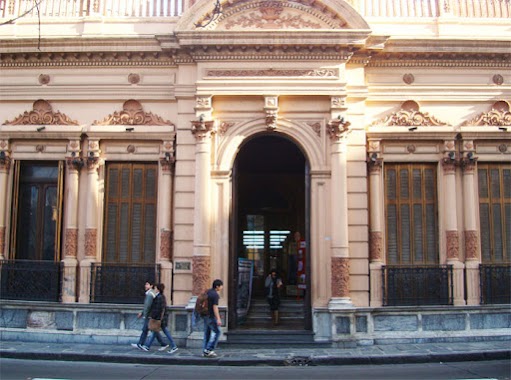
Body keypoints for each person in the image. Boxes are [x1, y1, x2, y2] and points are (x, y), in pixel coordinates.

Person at [130, 280, 166, 351]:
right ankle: (161, 343)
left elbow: (148, 306)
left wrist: (144, 314)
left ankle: (141, 344)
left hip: (150, 315)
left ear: (151, 286)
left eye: (147, 284)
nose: (145, 286)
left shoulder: (150, 294)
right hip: (151, 315)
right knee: (151, 330)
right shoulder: (151, 293)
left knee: (148, 330)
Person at [144, 283, 178, 354]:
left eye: (156, 288)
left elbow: (158, 309)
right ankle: (148, 346)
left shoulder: (159, 297)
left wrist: (153, 316)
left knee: (164, 332)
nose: (155, 289)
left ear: (158, 289)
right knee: (155, 331)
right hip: (160, 318)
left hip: (159, 319)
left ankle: (174, 346)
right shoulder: (160, 296)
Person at [203, 279, 223, 358]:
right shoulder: (215, 295)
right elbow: (215, 307)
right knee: (217, 332)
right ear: (217, 286)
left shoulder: (208, 292)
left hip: (205, 315)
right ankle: (209, 349)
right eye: (221, 286)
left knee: (207, 333)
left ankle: (205, 350)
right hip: (211, 316)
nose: (221, 288)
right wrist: (218, 318)